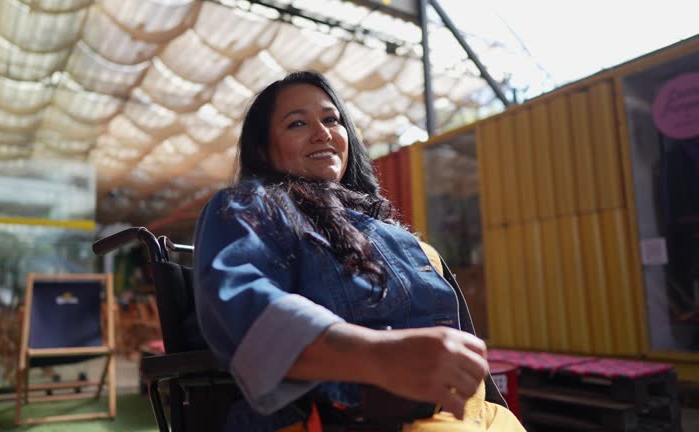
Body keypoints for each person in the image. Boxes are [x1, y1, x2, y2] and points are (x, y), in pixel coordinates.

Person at [193, 71, 524, 431]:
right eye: (297, 123)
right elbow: (244, 304)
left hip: (481, 418)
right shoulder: (252, 205)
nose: (323, 133)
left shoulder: (397, 236)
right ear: (262, 149)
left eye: (332, 119)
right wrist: (375, 356)